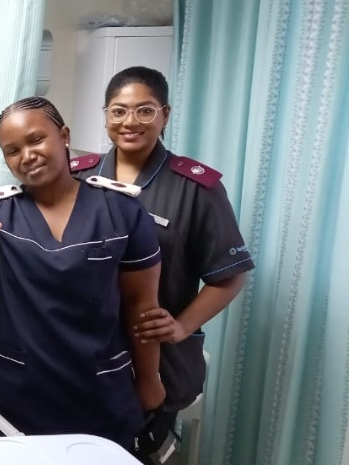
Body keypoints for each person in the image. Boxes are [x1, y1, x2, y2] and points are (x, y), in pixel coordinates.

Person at [0, 96, 165, 455]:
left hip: (98, 392)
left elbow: (142, 306)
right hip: (13, 393)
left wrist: (150, 379)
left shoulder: (121, 210)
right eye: (12, 150)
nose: (26, 155)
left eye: (36, 140)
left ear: (64, 135)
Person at [71, 66, 254, 454]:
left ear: (165, 115)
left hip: (158, 365)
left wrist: (183, 326)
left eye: (145, 110)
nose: (130, 122)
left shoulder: (195, 188)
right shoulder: (77, 180)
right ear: (105, 115)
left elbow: (230, 275)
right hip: (85, 354)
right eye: (118, 111)